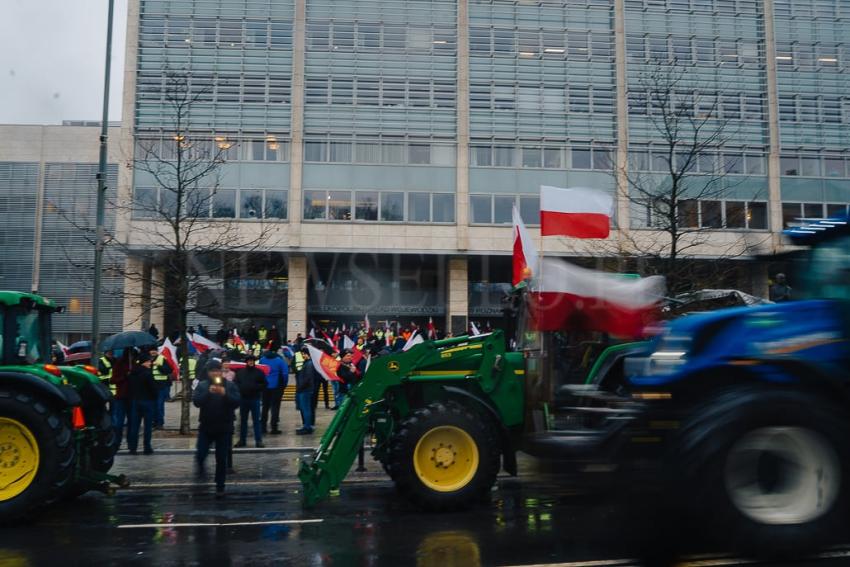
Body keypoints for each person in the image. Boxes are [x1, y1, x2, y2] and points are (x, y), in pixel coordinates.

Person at [194, 360, 241, 498]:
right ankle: (201, 471)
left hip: (224, 427)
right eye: (212, 371)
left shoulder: (229, 385)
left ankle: (220, 486)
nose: (215, 373)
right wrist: (208, 393)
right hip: (206, 426)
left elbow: (236, 402)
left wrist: (224, 393)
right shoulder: (203, 385)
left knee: (221, 459)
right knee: (201, 453)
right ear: (208, 372)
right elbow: (197, 402)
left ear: (221, 372)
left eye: (217, 370)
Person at [127, 353, 157, 455]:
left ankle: (132, 448)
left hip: (135, 401)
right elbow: (153, 388)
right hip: (147, 401)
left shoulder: (132, 373)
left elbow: (130, 388)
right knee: (147, 426)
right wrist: (154, 397)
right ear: (144, 362)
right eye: (148, 361)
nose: (150, 363)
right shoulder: (147, 373)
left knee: (134, 426)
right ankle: (147, 448)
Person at [234, 354, 266, 448]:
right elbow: (236, 383)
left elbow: (264, 384)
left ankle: (258, 441)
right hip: (243, 399)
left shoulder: (259, 372)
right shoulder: (240, 372)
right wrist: (241, 389)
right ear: (246, 362)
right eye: (249, 360)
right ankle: (242, 440)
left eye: (252, 360)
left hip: (255, 399)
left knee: (256, 421)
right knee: (243, 421)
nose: (251, 362)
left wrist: (255, 388)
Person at [260, 348, 288, 435]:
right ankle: (274, 428)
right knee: (275, 408)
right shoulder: (279, 361)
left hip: (265, 387)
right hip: (276, 387)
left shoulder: (262, 360)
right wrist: (284, 385)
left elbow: (260, 372)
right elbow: (285, 374)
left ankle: (263, 427)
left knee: (265, 407)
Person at [296, 348, 318, 434]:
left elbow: (308, 378)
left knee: (306, 409)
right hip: (306, 389)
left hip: (305, 389)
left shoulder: (309, 364)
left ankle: (307, 426)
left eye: (304, 354)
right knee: (306, 408)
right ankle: (307, 426)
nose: (303, 356)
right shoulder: (308, 363)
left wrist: (301, 387)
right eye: (302, 354)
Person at [151, 347, 173, 429]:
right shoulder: (147, 359)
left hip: (161, 386)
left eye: (154, 350)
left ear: (157, 351)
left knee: (159, 405)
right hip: (152, 386)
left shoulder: (162, 359)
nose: (153, 352)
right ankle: (154, 422)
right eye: (151, 350)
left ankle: (160, 423)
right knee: (153, 405)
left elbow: (169, 370)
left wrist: (159, 366)